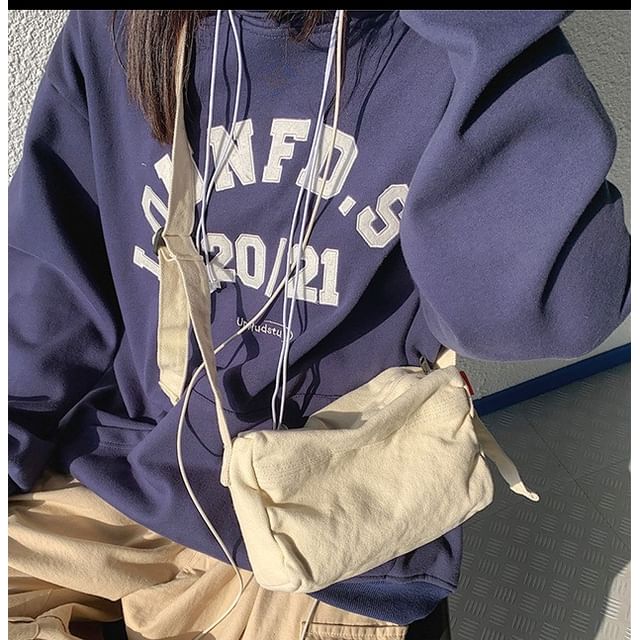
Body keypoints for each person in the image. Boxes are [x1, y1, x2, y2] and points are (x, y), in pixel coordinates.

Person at [8, 9, 630, 640]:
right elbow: (49, 280)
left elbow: (554, 311)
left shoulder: (450, 43)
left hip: (334, 496)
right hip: (122, 467)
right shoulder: (117, 25)